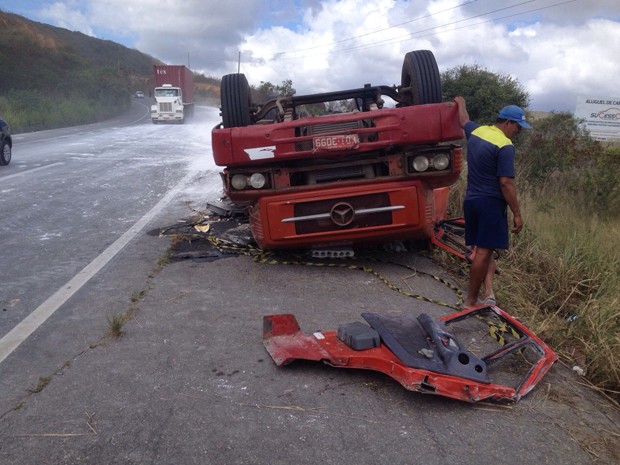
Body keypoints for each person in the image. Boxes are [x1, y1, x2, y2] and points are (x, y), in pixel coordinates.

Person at [453, 97, 529, 308]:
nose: (518, 132)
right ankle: (470, 300)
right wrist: (517, 213)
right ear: (507, 122)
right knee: (484, 252)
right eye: (518, 127)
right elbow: (506, 183)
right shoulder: (505, 145)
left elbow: (463, 120)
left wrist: (461, 103)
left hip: (471, 202)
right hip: (490, 204)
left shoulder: (477, 131)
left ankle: (488, 294)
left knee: (483, 249)